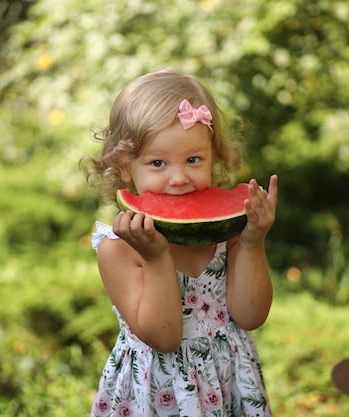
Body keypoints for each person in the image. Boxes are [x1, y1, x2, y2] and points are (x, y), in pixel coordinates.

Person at [86, 69, 278, 417]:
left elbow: (250, 316)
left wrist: (252, 241)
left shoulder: (224, 233)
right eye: (157, 163)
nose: (178, 178)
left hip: (229, 381)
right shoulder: (118, 248)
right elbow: (164, 337)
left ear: (214, 157)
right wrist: (157, 258)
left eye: (193, 160)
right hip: (160, 393)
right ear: (125, 167)